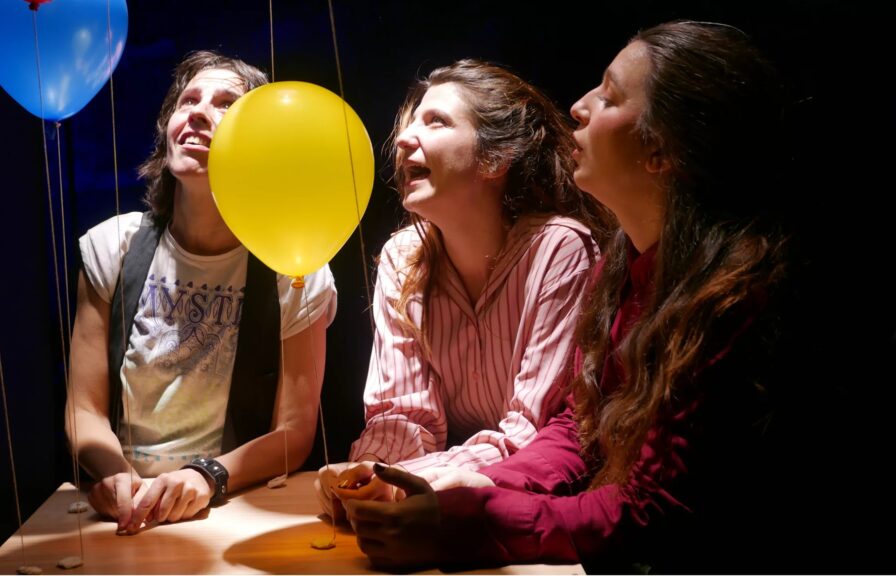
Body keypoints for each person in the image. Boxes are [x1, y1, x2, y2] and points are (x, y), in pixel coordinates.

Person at [342, 21, 801, 572]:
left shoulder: (731, 296)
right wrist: (477, 482)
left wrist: (476, 517)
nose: (578, 106)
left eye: (608, 97)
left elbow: (656, 510)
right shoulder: (619, 266)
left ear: (661, 151)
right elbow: (580, 426)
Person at [316, 60, 612, 517]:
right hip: (444, 500)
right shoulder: (402, 257)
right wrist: (370, 473)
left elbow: (533, 429)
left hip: (538, 504)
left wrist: (412, 482)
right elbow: (403, 416)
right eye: (410, 121)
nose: (403, 138)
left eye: (435, 121)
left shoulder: (559, 248)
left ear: (495, 159)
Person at [67, 50, 336, 535]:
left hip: (232, 506)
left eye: (225, 104)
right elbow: (83, 409)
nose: (197, 112)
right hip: (126, 508)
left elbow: (294, 434)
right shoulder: (113, 246)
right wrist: (113, 474)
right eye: (187, 100)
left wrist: (207, 476)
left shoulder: (294, 265)